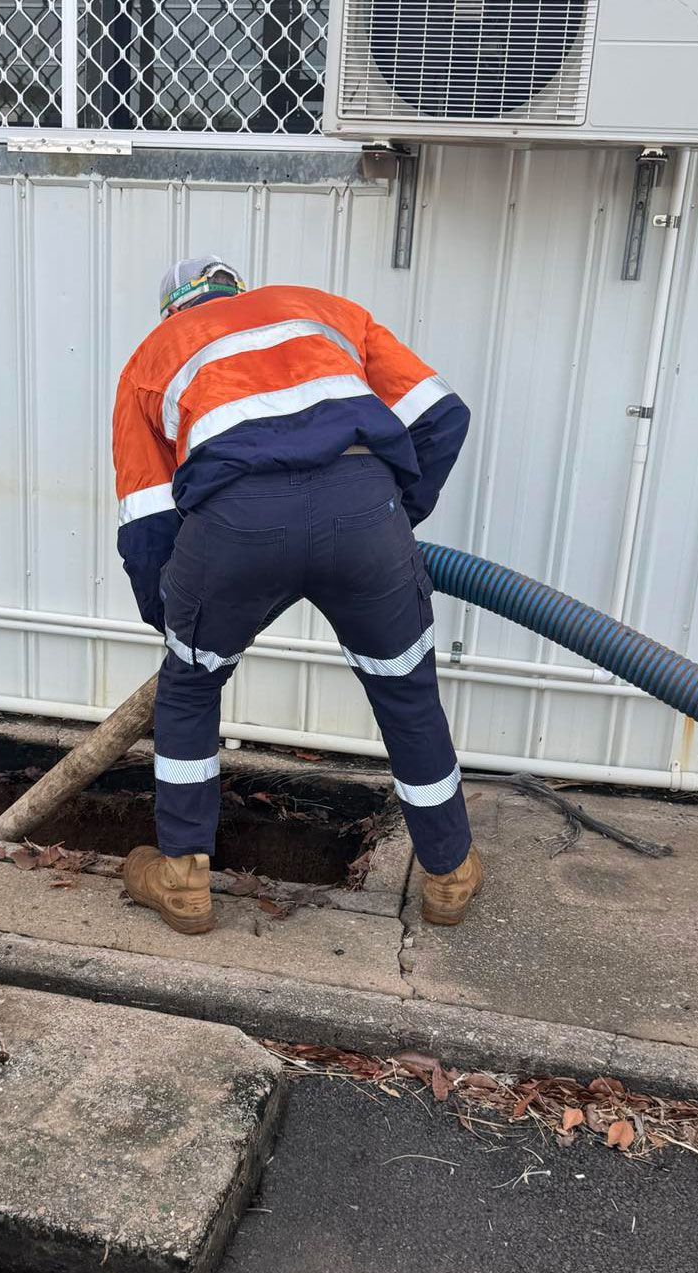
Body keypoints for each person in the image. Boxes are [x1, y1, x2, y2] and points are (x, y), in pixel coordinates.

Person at [112, 255, 481, 935]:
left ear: (173, 311)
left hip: (233, 523)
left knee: (190, 688)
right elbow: (440, 414)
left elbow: (149, 519)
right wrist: (395, 516)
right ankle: (450, 873)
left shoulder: (154, 355)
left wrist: (173, 621)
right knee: (405, 689)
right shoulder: (322, 310)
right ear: (239, 290)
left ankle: (184, 879)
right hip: (364, 510)